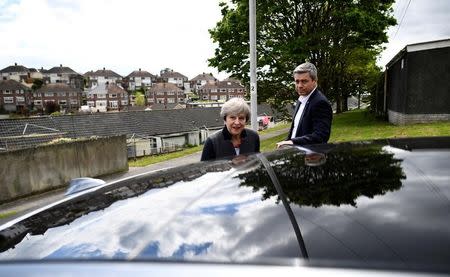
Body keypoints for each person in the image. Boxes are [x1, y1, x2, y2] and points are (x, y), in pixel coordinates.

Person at [276, 62, 332, 148]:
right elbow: (295, 130)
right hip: (296, 154)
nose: (299, 86)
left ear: (315, 81)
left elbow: (321, 136)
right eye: (297, 81)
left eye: (304, 81)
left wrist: (293, 142)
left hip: (312, 157)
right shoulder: (301, 99)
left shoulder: (320, 103)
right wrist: (286, 143)